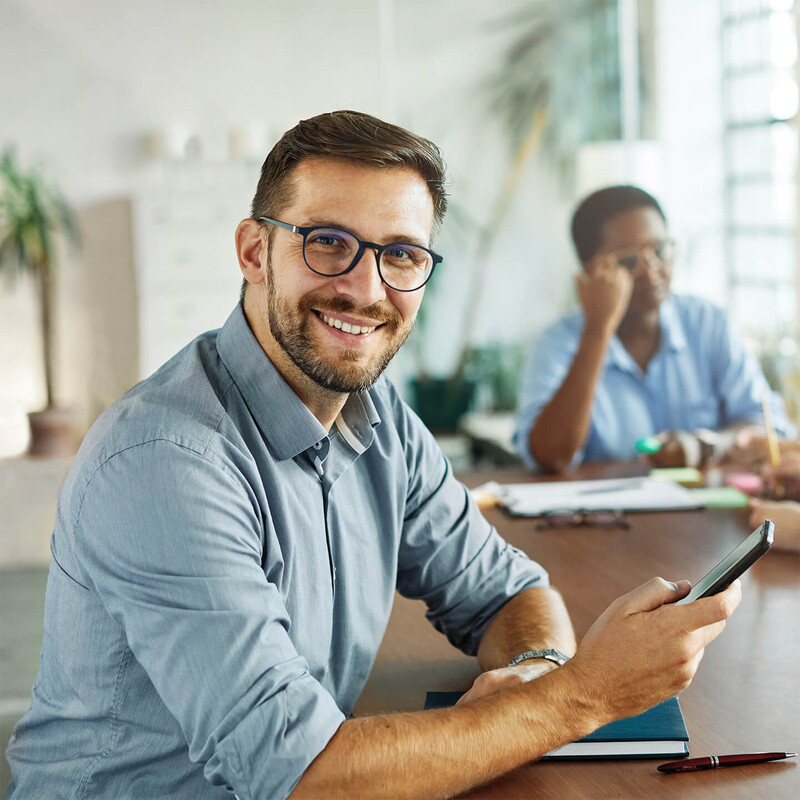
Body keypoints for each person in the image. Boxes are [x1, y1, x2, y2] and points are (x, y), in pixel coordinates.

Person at [6, 112, 741, 800]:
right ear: (255, 252)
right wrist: (576, 696)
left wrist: (535, 672)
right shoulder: (166, 460)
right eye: (328, 242)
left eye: (402, 255)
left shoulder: (380, 418)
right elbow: (297, 773)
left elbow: (508, 593)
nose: (365, 289)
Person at [513, 185, 795, 474]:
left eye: (660, 250)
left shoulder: (708, 323)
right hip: (605, 503)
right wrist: (597, 329)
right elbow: (550, 456)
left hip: (703, 501)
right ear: (589, 271)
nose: (651, 270)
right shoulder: (557, 344)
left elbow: (768, 425)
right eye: (628, 260)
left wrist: (704, 445)